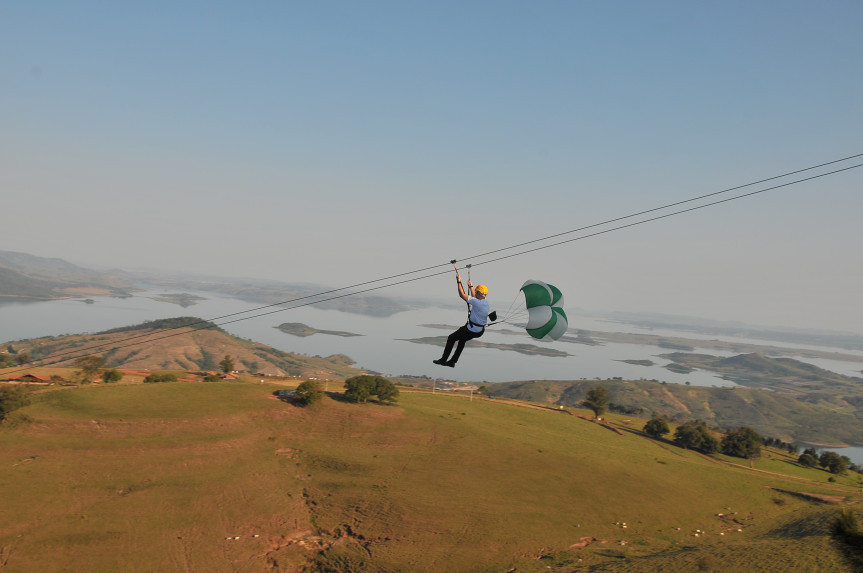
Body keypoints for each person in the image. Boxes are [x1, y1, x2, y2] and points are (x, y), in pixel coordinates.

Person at [433, 272, 490, 367]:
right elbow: (475, 297)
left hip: (471, 330)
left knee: (451, 338)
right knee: (462, 341)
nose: (475, 293)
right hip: (479, 331)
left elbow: (462, 295)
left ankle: (443, 360)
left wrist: (458, 281)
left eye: (476, 292)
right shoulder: (485, 303)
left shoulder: (477, 302)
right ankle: (452, 362)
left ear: (479, 293)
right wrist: (471, 286)